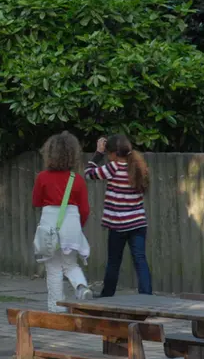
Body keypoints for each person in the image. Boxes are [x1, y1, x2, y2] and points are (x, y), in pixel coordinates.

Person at [32, 132, 93, 311]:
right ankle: (81, 286)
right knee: (70, 264)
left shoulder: (42, 177)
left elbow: (36, 202)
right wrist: (77, 228)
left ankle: (57, 308)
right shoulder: (77, 180)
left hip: (50, 225)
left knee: (53, 268)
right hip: (72, 226)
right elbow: (85, 209)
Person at [85, 134, 152, 296]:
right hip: (138, 224)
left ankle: (107, 294)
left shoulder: (113, 167)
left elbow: (88, 173)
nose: (108, 156)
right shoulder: (138, 167)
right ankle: (147, 295)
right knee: (140, 260)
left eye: (108, 153)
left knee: (114, 262)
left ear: (114, 153)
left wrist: (98, 153)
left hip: (118, 225)